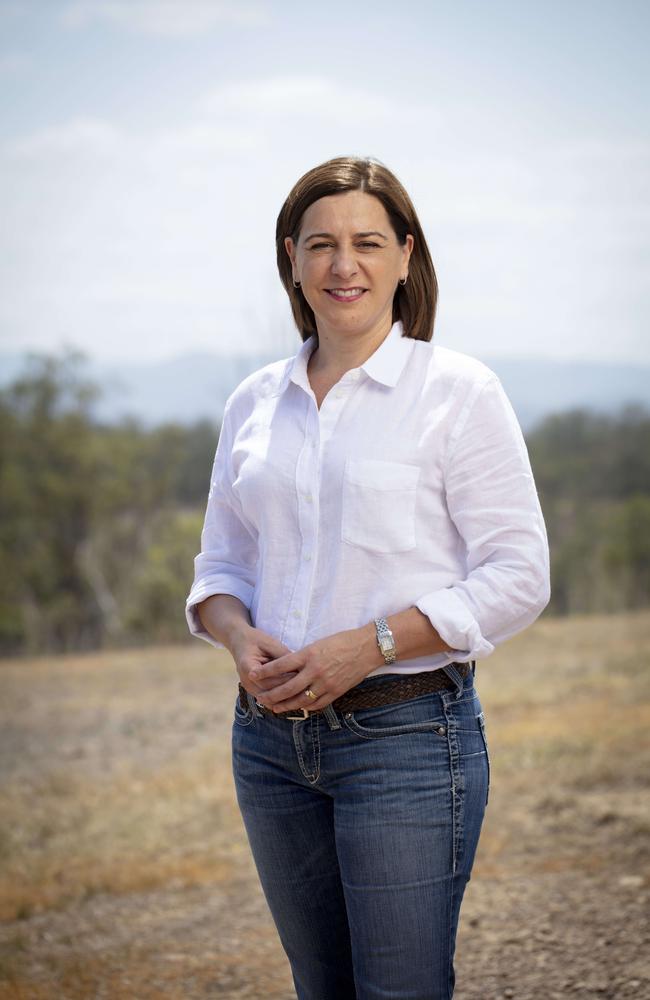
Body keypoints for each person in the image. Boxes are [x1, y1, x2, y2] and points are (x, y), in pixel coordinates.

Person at [185, 155, 550, 1000]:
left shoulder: (459, 392)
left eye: (367, 243)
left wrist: (374, 643)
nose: (343, 265)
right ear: (291, 258)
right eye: (321, 244)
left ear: (405, 256)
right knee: (322, 989)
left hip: (408, 741)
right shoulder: (253, 402)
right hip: (268, 745)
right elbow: (219, 565)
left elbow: (520, 574)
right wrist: (238, 638)